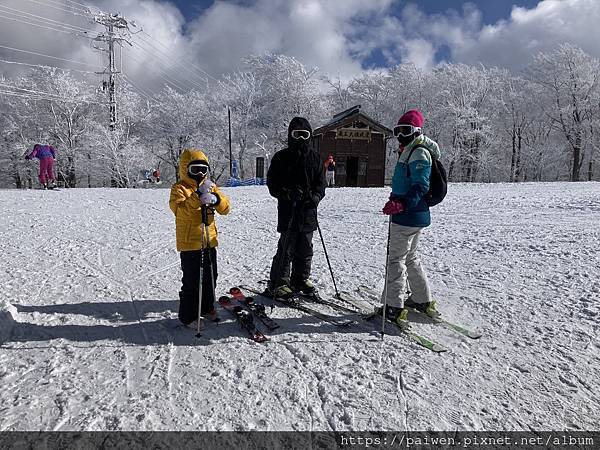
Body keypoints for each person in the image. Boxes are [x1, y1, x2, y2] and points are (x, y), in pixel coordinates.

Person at [379, 109, 441, 328]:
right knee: (411, 257)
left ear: (416, 131)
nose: (400, 135)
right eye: (397, 131)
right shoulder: (411, 150)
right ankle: (421, 299)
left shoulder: (418, 153)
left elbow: (421, 185)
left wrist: (401, 203)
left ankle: (393, 307)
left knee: (396, 259)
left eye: (405, 131)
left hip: (408, 215)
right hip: (413, 214)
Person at [169, 148, 231, 327]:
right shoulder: (179, 188)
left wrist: (216, 199)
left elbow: (226, 209)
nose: (200, 173)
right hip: (190, 243)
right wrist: (198, 197)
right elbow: (180, 212)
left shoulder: (210, 186)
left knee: (211, 276)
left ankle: (206, 307)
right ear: (185, 169)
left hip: (209, 240)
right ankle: (188, 316)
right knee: (193, 280)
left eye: (204, 169)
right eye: (195, 169)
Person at [266, 117, 326, 297]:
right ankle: (279, 282)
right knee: (287, 248)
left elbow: (320, 184)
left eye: (304, 135)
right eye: (297, 135)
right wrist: (286, 193)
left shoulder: (315, 158)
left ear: (309, 136)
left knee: (306, 248)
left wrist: (315, 197)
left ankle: (299, 279)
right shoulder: (281, 157)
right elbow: (272, 184)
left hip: (308, 213)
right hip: (288, 211)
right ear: (290, 136)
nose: (300, 139)